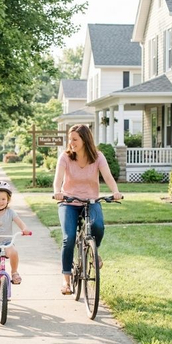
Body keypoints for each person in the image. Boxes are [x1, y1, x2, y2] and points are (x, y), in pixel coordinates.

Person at [53, 124, 122, 295]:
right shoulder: (65, 157)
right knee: (68, 238)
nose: (71, 143)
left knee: (98, 226)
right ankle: (66, 280)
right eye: (70, 139)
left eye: (75, 139)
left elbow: (107, 176)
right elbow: (58, 179)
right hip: (69, 201)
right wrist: (57, 192)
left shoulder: (98, 157)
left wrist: (115, 192)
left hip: (91, 201)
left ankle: (93, 251)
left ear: (85, 140)